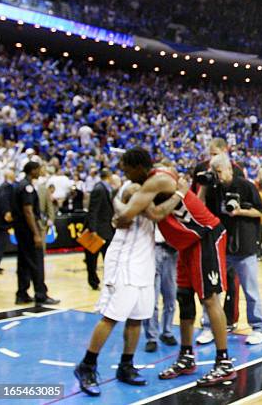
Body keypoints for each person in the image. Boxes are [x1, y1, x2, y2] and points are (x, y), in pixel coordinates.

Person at [114, 147, 236, 386]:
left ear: (138, 167)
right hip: (186, 244)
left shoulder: (156, 180)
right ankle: (186, 356)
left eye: (126, 169)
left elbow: (135, 215)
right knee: (184, 298)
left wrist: (117, 201)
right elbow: (151, 212)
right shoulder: (155, 181)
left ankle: (224, 363)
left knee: (210, 299)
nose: (125, 174)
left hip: (205, 236)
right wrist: (177, 196)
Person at [73, 181, 183, 396]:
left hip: (144, 262)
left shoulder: (151, 190)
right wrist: (180, 193)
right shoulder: (132, 189)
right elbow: (155, 213)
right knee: (111, 317)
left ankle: (126, 365)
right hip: (124, 262)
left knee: (137, 318)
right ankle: (86, 365)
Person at [196, 153, 262, 345]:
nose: (217, 176)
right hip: (220, 248)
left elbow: (261, 212)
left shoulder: (246, 186)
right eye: (214, 172)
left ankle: (259, 328)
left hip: (244, 248)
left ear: (228, 169)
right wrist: (204, 185)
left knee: (250, 291)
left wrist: (238, 211)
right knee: (213, 292)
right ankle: (209, 327)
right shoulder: (213, 188)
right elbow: (197, 208)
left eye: (219, 172)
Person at [192, 137, 244, 335]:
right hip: (208, 230)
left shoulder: (236, 169)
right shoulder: (201, 169)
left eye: (215, 154)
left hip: (229, 230)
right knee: (209, 279)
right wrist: (204, 185)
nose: (211, 159)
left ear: (225, 151)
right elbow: (195, 201)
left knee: (231, 278)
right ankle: (208, 323)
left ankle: (230, 319)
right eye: (210, 154)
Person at [11, 161, 60, 305]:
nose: (40, 172)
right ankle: (41, 294)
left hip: (21, 230)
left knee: (24, 263)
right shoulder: (27, 187)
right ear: (32, 170)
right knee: (37, 262)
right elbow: (28, 211)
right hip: (29, 230)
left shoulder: (18, 185)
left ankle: (22, 294)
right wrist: (36, 233)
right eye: (38, 169)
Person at [143, 225, 178, 352]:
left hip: (172, 250)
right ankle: (152, 337)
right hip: (151, 249)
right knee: (151, 298)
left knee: (171, 295)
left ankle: (167, 332)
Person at [83, 169, 116, 290]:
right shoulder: (99, 189)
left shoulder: (105, 188)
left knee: (108, 258)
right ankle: (93, 281)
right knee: (92, 260)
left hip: (106, 230)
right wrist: (93, 230)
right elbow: (93, 211)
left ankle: (109, 281)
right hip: (97, 230)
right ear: (108, 176)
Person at [0, 169, 15, 274]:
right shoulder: (7, 187)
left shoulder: (2, 186)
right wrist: (7, 213)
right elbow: (4, 200)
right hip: (1, 222)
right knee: (0, 244)